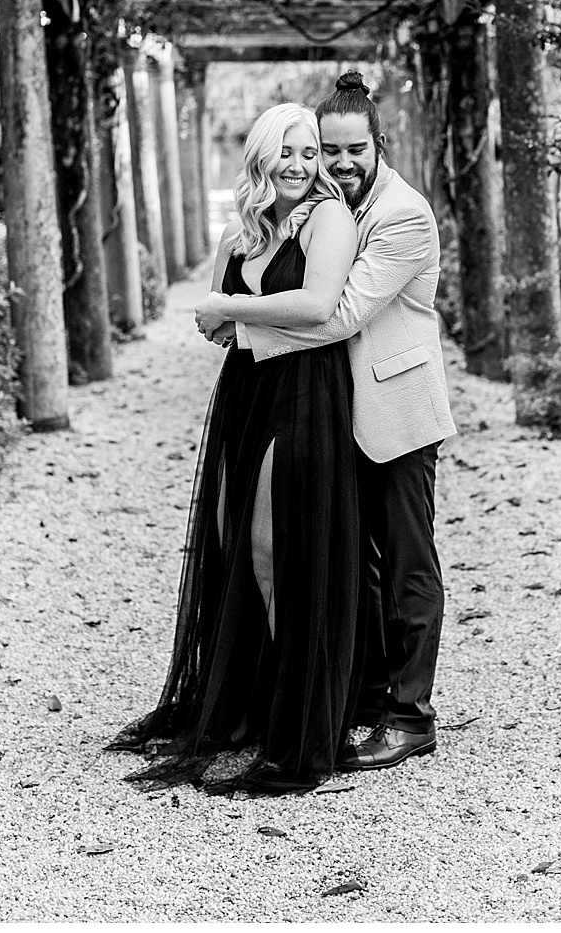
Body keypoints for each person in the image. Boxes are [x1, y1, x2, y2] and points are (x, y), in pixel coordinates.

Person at [195, 71, 456, 772]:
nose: (339, 161)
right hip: (336, 409)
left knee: (406, 563)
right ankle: (362, 698)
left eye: (352, 149)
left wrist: (233, 320)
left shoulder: (401, 214)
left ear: (378, 143)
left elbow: (337, 314)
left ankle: (411, 715)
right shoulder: (324, 205)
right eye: (327, 148)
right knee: (355, 566)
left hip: (395, 406)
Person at [109, 103, 362, 794]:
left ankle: (299, 722)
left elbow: (316, 306)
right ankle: (249, 706)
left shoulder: (329, 219)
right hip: (247, 388)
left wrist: (231, 310)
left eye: (311, 152)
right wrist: (223, 316)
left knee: (272, 545)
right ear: (261, 155)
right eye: (289, 150)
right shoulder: (246, 229)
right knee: (229, 541)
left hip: (307, 392)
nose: (302, 164)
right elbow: (211, 324)